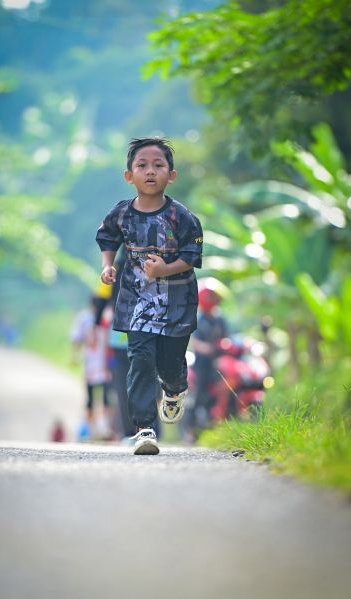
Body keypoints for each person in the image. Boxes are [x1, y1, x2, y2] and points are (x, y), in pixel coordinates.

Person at [96, 137, 203, 455]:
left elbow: (192, 256)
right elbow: (107, 238)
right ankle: (144, 429)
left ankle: (175, 388)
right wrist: (107, 266)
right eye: (142, 165)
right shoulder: (121, 213)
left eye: (158, 165)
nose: (150, 171)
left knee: (169, 365)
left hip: (177, 304)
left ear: (172, 174)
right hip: (136, 304)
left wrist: (164, 269)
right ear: (129, 176)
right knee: (140, 360)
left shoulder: (182, 217)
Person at [70, 294, 112, 440]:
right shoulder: (86, 319)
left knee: (103, 398)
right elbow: (76, 337)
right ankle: (92, 429)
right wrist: (75, 355)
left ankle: (103, 428)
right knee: (93, 399)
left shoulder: (105, 319)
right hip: (94, 364)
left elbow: (76, 338)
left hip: (102, 365)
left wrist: (74, 355)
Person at [191, 279, 229, 422]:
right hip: (202, 363)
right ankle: (194, 418)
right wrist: (205, 348)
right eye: (212, 297)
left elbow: (227, 337)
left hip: (218, 360)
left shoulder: (220, 319)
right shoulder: (199, 320)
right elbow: (195, 341)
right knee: (201, 389)